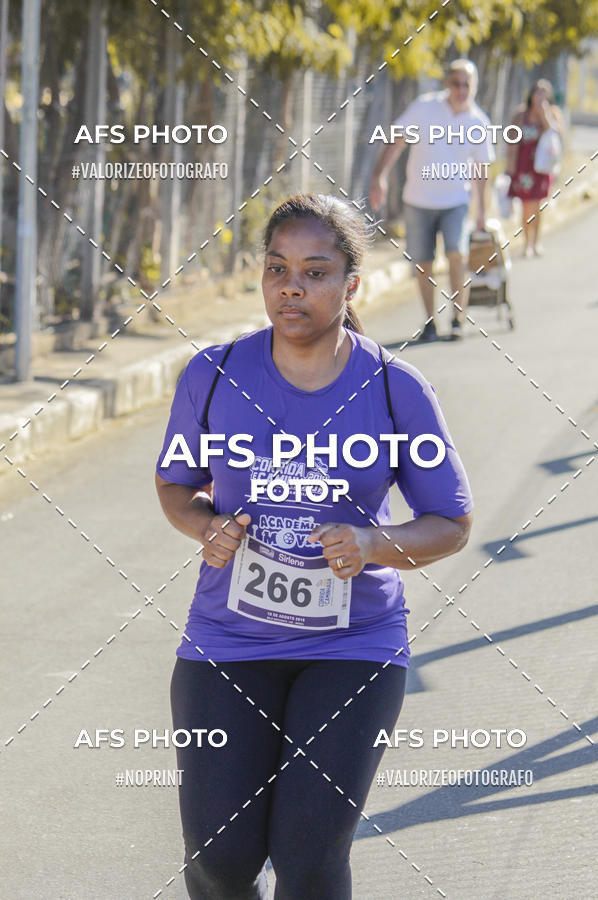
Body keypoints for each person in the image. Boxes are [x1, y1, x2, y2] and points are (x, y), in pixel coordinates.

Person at [155, 193, 473, 899]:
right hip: (229, 641)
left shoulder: (394, 389)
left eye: (315, 272)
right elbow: (176, 483)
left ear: (352, 285)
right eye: (278, 268)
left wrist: (372, 542)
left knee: (307, 856)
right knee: (220, 859)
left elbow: (451, 521)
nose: (291, 287)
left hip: (353, 645)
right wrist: (206, 526)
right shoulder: (213, 374)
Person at [369, 59, 495, 341]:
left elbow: (481, 170)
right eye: (456, 83)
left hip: (456, 202)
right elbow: (397, 139)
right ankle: (430, 322)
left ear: (474, 86)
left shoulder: (479, 122)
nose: (461, 90)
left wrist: (481, 212)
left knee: (457, 254)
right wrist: (379, 175)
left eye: (467, 84)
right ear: (447, 84)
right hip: (418, 201)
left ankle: (458, 319)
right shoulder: (424, 108)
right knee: (423, 262)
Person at [505, 79, 564, 257]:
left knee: (538, 205)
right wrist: (510, 166)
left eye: (544, 93)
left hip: (542, 167)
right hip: (523, 166)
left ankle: (536, 241)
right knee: (526, 206)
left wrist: (545, 115)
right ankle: (527, 243)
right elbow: (511, 140)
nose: (540, 96)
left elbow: (557, 135)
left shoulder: (553, 113)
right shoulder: (521, 114)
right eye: (537, 92)